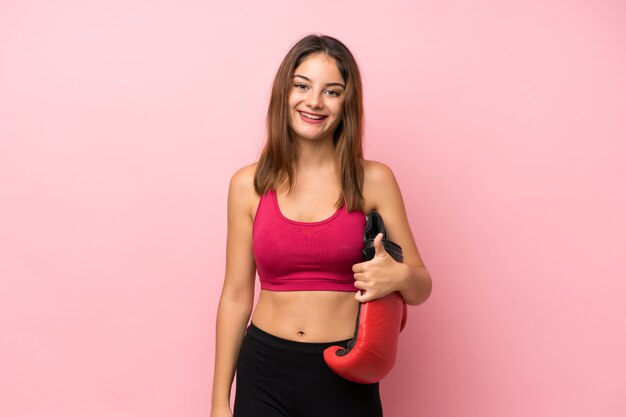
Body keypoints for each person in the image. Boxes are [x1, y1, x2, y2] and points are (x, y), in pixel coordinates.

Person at [210, 34, 432, 417]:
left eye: (332, 91)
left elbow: (421, 286)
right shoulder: (247, 185)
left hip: (345, 372)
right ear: (285, 92)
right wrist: (218, 402)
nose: (314, 102)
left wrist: (396, 277)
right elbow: (235, 296)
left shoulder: (374, 180)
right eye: (302, 86)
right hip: (264, 368)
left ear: (347, 104)